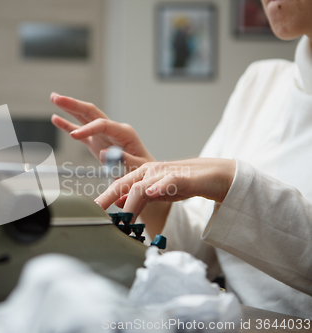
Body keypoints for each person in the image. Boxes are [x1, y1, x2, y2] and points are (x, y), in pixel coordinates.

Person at [50, 0, 312, 318]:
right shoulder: (260, 83)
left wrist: (233, 183)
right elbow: (200, 252)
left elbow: (232, 189)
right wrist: (151, 183)